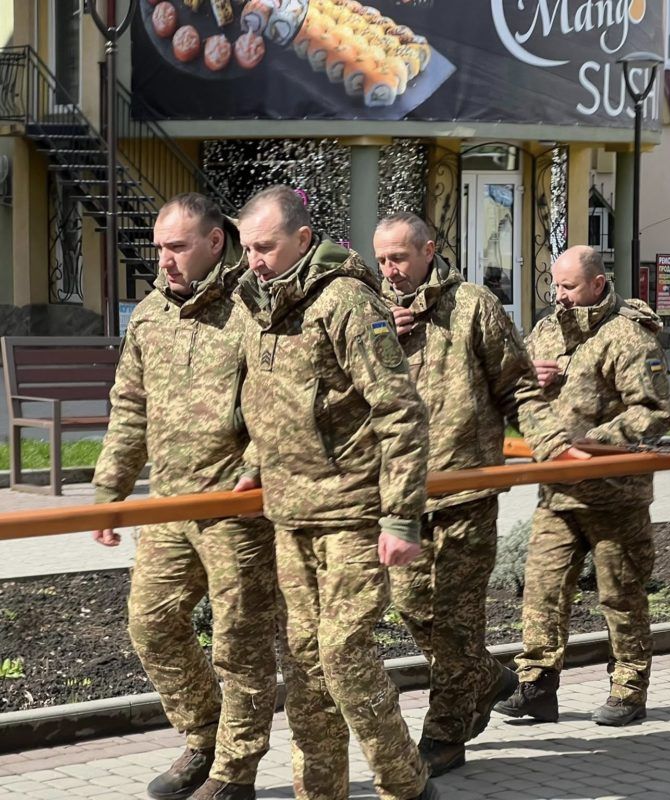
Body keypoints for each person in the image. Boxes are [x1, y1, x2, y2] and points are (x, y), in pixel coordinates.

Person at [232, 186, 437, 800]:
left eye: (265, 247)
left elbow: (399, 412)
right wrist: (253, 461)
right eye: (246, 249)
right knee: (304, 665)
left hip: (351, 512)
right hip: (290, 515)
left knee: (343, 653)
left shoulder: (345, 301)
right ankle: (319, 790)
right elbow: (270, 401)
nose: (254, 261)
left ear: (301, 239)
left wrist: (401, 519)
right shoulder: (262, 305)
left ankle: (404, 781)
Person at [372, 212, 577, 776]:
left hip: (465, 492)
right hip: (401, 498)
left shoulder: (472, 306)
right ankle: (485, 678)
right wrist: (383, 332)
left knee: (458, 623)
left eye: (400, 258)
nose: (390, 270)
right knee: (415, 611)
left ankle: (446, 734)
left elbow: (517, 386)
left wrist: (551, 441)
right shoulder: (370, 309)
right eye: (382, 259)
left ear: (429, 251)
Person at [91, 193, 277, 800]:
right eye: (159, 248)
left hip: (235, 509)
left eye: (176, 247)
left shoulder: (256, 307)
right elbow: (130, 407)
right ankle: (203, 737)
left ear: (214, 242)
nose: (163, 260)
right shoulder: (148, 314)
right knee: (151, 622)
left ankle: (235, 771)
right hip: (169, 504)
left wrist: (253, 467)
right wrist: (111, 490)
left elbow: (282, 405)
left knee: (239, 642)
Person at [494, 245, 670, 727]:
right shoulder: (548, 329)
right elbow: (522, 394)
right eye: (556, 285)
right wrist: (537, 378)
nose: (560, 295)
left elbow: (654, 413)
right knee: (542, 589)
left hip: (615, 491)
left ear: (597, 284)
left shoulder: (629, 336)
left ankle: (628, 689)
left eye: (569, 286)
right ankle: (536, 686)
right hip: (558, 490)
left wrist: (593, 440)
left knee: (620, 594)